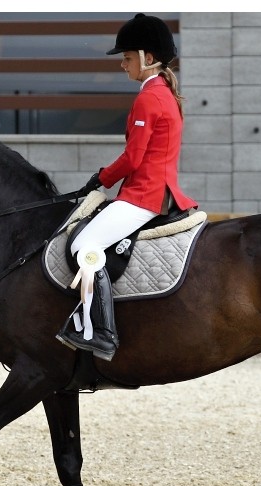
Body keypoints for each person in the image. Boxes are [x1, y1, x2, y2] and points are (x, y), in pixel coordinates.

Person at [56, 13, 198, 361]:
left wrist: (101, 178)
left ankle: (99, 331)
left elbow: (133, 159)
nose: (122, 64)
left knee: (85, 243)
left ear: (148, 58)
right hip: (155, 192)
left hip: (144, 195)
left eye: (127, 57)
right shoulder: (163, 92)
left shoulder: (149, 98)